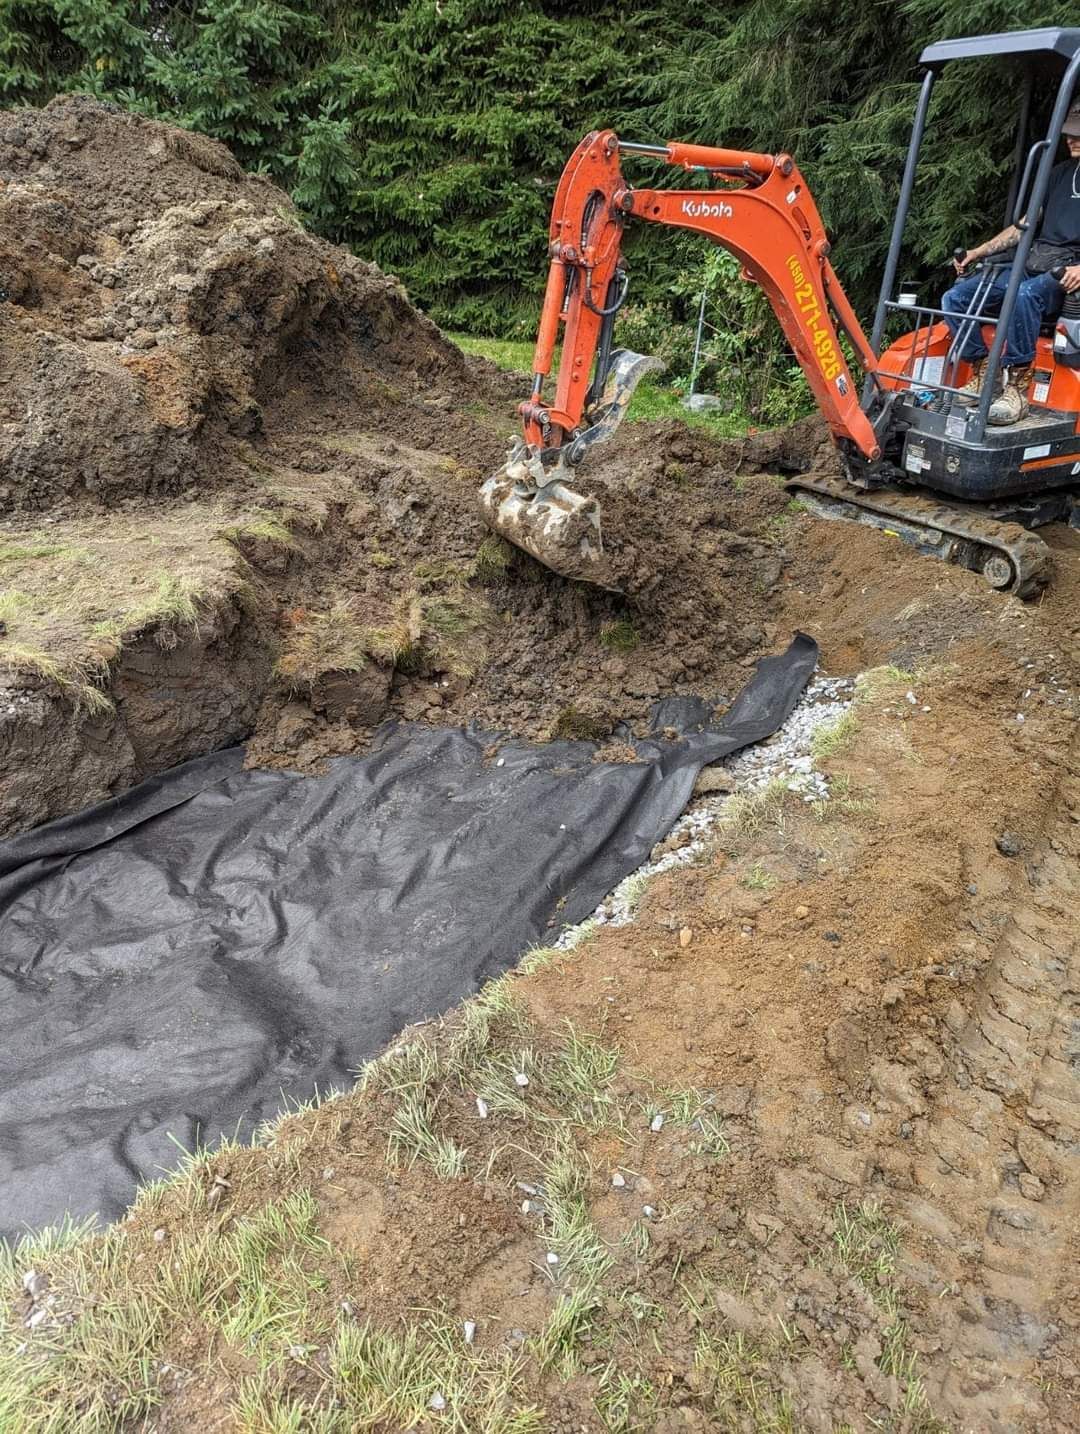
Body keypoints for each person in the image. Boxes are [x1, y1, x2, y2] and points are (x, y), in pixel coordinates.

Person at [942, 98, 1080, 425]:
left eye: (1079, 134)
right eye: (1069, 133)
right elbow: (1024, 226)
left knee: (1023, 296)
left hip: (1068, 274)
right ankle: (981, 372)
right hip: (1037, 263)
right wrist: (980, 251)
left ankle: (1017, 388)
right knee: (956, 297)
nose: (1071, 139)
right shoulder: (1060, 173)